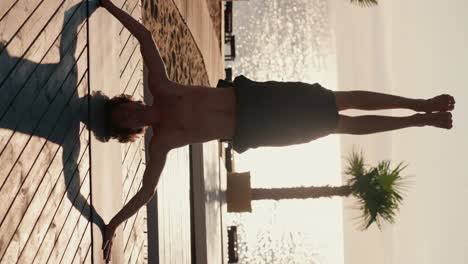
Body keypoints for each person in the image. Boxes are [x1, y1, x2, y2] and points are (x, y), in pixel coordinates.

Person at [98, 0, 455, 261]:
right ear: (129, 133)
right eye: (125, 123)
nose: (130, 116)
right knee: (337, 125)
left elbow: (145, 37)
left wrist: (107, 5)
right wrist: (114, 224)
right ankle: (417, 119)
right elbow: (147, 190)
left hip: (256, 95)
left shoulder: (160, 86)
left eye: (124, 109)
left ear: (127, 101)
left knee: (338, 98)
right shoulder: (162, 143)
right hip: (254, 128)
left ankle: (418, 102)